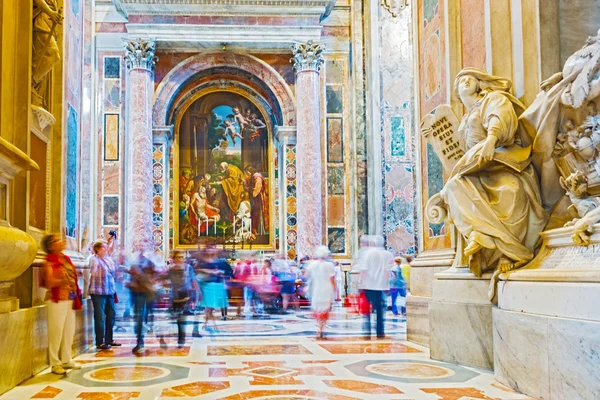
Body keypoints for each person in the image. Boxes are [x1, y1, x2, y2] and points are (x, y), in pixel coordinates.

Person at [40, 234, 81, 374]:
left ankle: (66, 358)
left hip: (70, 297)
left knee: (69, 329)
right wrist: (63, 280)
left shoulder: (66, 259)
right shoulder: (49, 262)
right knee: (56, 330)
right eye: (57, 240)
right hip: (57, 299)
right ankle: (54, 362)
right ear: (50, 246)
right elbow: (50, 282)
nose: (61, 241)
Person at [359, 235, 394, 339]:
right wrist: (388, 285)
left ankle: (367, 332)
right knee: (380, 311)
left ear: (373, 243)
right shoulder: (388, 254)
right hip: (382, 286)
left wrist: (361, 284)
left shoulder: (368, 253)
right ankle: (380, 332)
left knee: (367, 311)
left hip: (369, 285)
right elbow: (389, 271)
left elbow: (364, 271)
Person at [88, 240, 121, 350]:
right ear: (97, 249)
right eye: (103, 247)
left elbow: (113, 273)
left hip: (109, 291)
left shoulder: (109, 259)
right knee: (100, 317)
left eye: (106, 247)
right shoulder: (93, 259)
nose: (106, 249)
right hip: (98, 291)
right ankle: (100, 342)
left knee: (111, 315)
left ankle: (109, 339)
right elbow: (93, 273)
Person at [162, 251, 197, 347]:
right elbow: (165, 280)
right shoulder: (170, 269)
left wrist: (198, 292)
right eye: (178, 257)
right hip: (175, 296)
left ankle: (181, 340)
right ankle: (173, 337)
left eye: (182, 257)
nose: (180, 259)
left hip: (185, 296)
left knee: (182, 319)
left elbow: (193, 280)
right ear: (174, 258)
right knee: (176, 319)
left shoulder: (188, 268)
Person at [127, 250, 158, 354]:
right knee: (139, 317)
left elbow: (155, 274)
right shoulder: (132, 261)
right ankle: (140, 340)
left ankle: (140, 341)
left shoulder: (148, 262)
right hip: (136, 292)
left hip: (144, 292)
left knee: (140, 317)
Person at [306, 246, 336, 339]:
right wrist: (335, 290)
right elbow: (332, 279)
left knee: (318, 308)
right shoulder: (329, 265)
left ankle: (319, 328)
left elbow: (306, 275)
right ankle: (321, 329)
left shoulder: (312, 264)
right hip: (326, 288)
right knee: (325, 309)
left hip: (316, 288)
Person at [196, 246, 228, 331]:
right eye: (209, 248)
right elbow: (198, 270)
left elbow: (226, 271)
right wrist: (212, 272)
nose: (211, 250)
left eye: (213, 248)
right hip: (206, 285)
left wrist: (220, 274)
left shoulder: (219, 261)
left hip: (216, 284)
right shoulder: (203, 261)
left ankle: (207, 325)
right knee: (209, 307)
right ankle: (211, 326)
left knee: (210, 308)